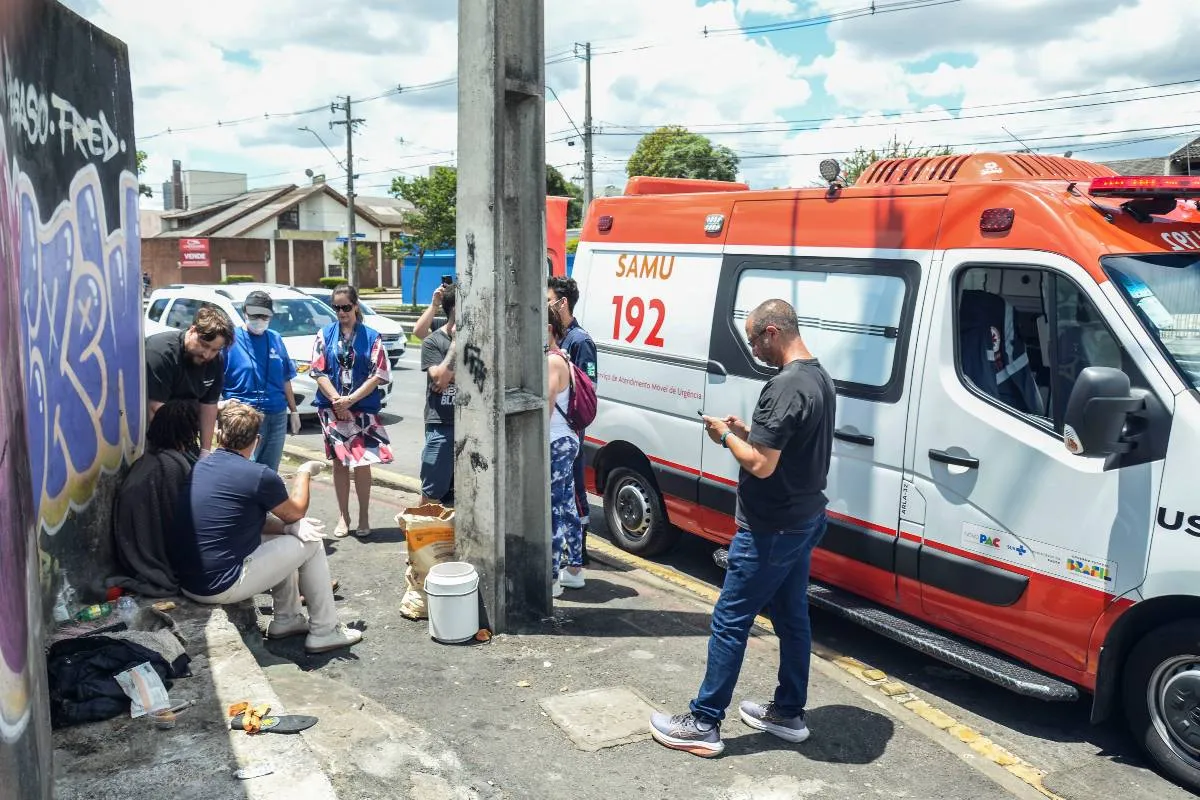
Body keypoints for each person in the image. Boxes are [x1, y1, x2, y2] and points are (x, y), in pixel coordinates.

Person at [649, 299, 835, 757]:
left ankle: (703, 722)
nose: (753, 349)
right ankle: (789, 712)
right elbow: (780, 445)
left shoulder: (784, 386)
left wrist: (726, 437)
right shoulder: (817, 376)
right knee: (793, 619)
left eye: (754, 339)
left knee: (730, 620)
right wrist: (748, 430)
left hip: (771, 529)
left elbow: (761, 465)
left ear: (773, 331)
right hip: (804, 518)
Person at [166, 401, 362, 654]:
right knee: (311, 541)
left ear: (218, 435)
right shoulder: (258, 475)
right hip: (220, 585)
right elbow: (295, 512)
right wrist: (303, 473)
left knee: (285, 536)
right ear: (256, 440)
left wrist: (287, 529)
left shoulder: (201, 466)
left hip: (190, 582)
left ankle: (287, 619)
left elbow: (249, 523)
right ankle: (326, 630)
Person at [310, 284, 394, 539]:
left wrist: (351, 400)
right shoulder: (325, 335)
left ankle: (364, 516)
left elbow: (379, 373)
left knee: (363, 463)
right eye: (336, 308)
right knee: (339, 465)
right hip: (333, 408)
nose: (341, 312)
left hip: (362, 409)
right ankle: (343, 515)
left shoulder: (372, 336)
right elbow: (317, 370)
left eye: (346, 307)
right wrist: (338, 400)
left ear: (355, 305)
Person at [109, 400, 200, 597]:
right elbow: (180, 520)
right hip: (149, 553)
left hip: (129, 552)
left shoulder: (149, 459)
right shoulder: (171, 465)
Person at [547, 276, 597, 563]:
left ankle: (579, 553)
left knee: (574, 491)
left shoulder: (580, 341)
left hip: (567, 431)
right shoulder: (563, 339)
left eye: (548, 300)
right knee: (566, 494)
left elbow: (587, 387)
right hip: (565, 432)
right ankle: (572, 556)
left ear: (562, 302)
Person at [222, 290, 301, 472]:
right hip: (243, 415)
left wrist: (294, 411)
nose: (260, 320)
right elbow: (216, 379)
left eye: (264, 316)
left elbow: (285, 377)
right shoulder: (230, 340)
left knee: (269, 471)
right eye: (255, 315)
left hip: (276, 414)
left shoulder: (275, 338)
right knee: (243, 471)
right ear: (245, 313)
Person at [146, 304, 234, 457]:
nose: (207, 355)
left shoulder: (215, 361)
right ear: (192, 330)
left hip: (186, 437)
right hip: (155, 437)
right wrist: (178, 453)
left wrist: (205, 450)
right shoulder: (160, 353)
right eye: (204, 345)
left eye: (214, 350)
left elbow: (209, 406)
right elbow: (155, 409)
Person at [547, 305, 583, 597]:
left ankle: (552, 576)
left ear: (547, 329)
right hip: (566, 440)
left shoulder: (551, 361)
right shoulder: (564, 357)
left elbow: (546, 408)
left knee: (553, 509)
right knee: (566, 504)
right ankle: (574, 569)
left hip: (555, 441)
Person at [420, 282, 456, 506]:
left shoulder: (481, 340)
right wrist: (457, 343)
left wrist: (450, 375)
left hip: (472, 426)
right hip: (442, 425)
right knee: (432, 493)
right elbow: (440, 378)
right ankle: (423, 539)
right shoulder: (434, 342)